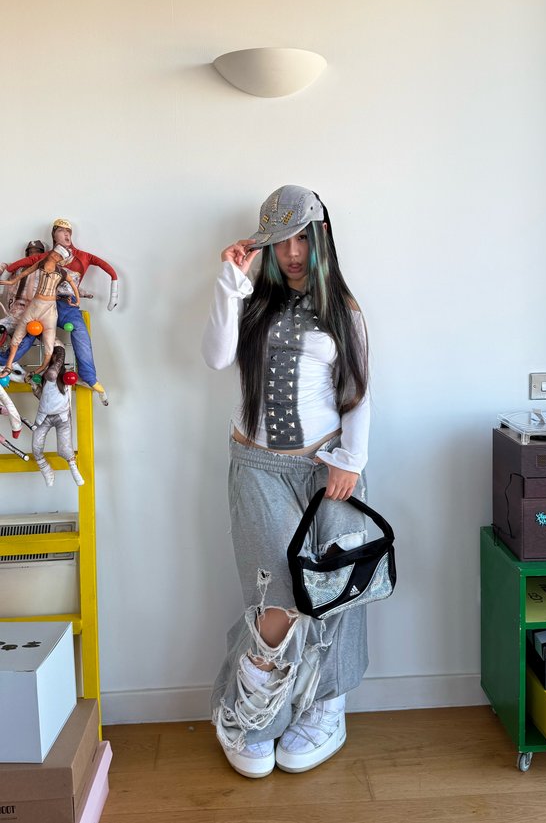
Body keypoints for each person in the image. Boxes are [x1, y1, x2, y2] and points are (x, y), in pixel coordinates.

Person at [201, 185, 370, 778]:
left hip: (327, 470)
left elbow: (356, 390)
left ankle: (327, 705)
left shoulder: (343, 311)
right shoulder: (251, 302)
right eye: (281, 241)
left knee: (333, 591)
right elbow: (217, 358)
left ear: (320, 239)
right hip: (258, 468)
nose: (293, 253)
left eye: (302, 238)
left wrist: (352, 458)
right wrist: (230, 283)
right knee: (278, 593)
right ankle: (251, 711)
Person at [0, 219, 118, 404]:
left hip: (66, 306)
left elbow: (109, 271)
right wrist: (6, 274)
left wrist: (112, 294)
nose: (67, 234)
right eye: (62, 231)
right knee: (30, 331)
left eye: (69, 231)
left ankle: (88, 377)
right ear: (53, 235)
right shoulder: (44, 259)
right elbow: (19, 267)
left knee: (79, 330)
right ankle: (2, 362)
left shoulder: (81, 258)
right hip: (43, 305)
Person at [0, 245, 80, 378]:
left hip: (49, 309)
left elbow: (73, 284)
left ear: (61, 259)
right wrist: (11, 281)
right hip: (33, 305)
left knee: (49, 342)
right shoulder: (40, 264)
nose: (54, 256)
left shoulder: (62, 273)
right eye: (54, 253)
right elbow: (26, 272)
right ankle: (8, 366)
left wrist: (77, 301)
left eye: (58, 255)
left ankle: (41, 368)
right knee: (17, 336)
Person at [28, 341, 84, 488]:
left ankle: (73, 468)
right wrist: (34, 386)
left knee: (65, 449)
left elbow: (54, 373)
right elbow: (44, 398)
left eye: (54, 355)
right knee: (36, 447)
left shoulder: (66, 376)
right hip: (44, 417)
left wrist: (99, 389)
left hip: (62, 417)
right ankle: (46, 469)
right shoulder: (45, 376)